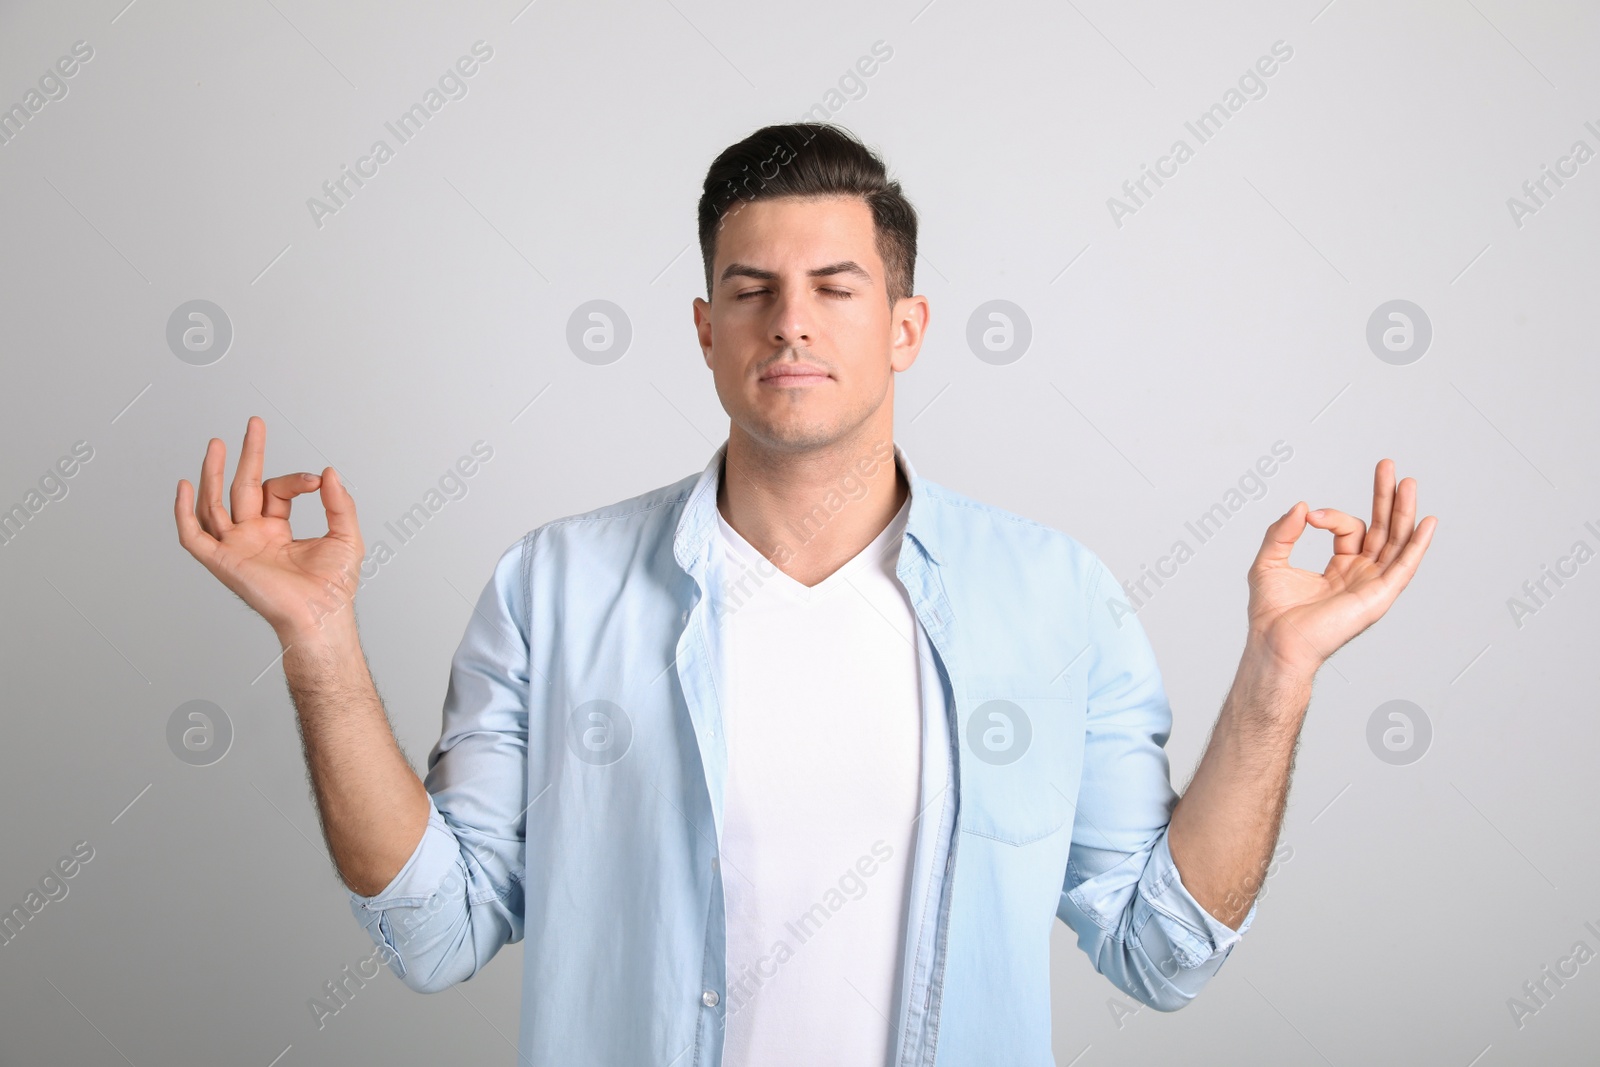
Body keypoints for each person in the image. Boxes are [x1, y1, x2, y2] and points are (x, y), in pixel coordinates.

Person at [173, 122, 1436, 1066]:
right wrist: (319, 645)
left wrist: (1279, 675)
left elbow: (1158, 949)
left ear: (905, 324)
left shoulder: (1059, 599)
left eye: (836, 289)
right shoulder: (551, 589)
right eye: (751, 290)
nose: (791, 323)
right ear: (704, 327)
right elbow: (437, 931)